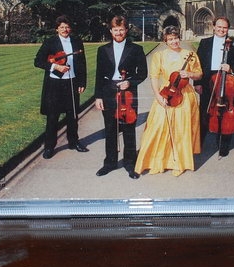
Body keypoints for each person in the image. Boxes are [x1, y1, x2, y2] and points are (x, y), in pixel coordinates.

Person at [134, 26, 203, 177]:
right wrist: (158, 96)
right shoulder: (159, 55)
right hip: (166, 93)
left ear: (179, 38)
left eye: (176, 38)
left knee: (181, 129)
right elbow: (154, 77)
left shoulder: (189, 54)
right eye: (170, 39)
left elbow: (199, 74)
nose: (174, 41)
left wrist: (189, 74)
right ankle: (157, 161)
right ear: (165, 41)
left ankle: (179, 163)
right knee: (158, 126)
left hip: (185, 95)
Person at [94, 16, 148, 179]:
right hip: (108, 91)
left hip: (128, 93)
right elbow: (99, 75)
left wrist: (130, 82)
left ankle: (130, 163)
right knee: (110, 128)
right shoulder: (102, 50)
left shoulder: (136, 49)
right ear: (111, 31)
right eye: (115, 30)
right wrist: (98, 96)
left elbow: (142, 73)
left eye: (121, 30)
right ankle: (109, 163)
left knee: (129, 128)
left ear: (126, 30)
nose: (118, 33)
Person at [34, 15, 89, 159]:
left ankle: (73, 142)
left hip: (71, 82)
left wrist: (82, 82)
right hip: (55, 84)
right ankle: (49, 147)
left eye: (67, 27)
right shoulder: (50, 42)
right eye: (62, 27)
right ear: (57, 29)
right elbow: (38, 61)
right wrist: (55, 67)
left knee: (72, 115)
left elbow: (82, 63)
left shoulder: (77, 41)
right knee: (53, 117)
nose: (65, 29)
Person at [194, 16, 234, 157]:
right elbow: (197, 65)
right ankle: (198, 145)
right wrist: (197, 83)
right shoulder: (205, 43)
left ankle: (223, 146)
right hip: (208, 81)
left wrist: (231, 68)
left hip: (228, 81)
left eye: (224, 27)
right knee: (205, 113)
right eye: (219, 27)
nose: (221, 30)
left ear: (228, 29)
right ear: (214, 27)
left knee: (226, 116)